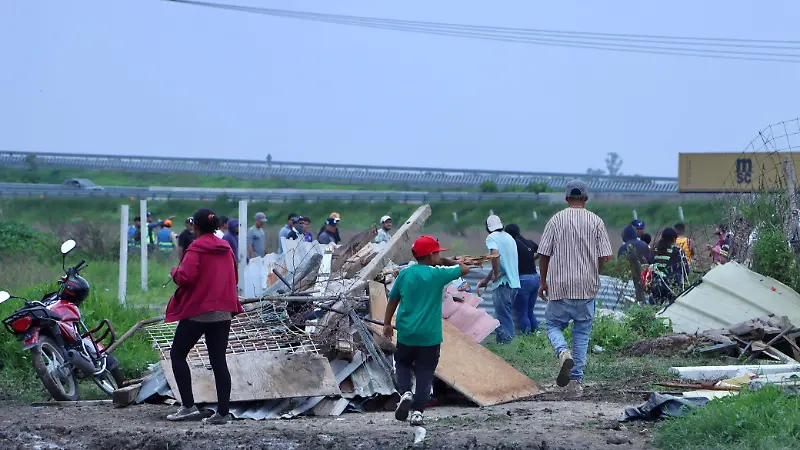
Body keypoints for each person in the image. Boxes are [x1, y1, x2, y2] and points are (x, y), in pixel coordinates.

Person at [165, 208, 244, 425]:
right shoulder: (226, 247)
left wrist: (174, 272)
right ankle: (223, 413)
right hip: (223, 312)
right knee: (218, 361)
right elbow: (234, 277)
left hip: (198, 311)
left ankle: (188, 406)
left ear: (195, 227)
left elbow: (186, 278)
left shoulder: (196, 248)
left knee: (178, 354)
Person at [384, 235, 469, 427]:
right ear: (431, 256)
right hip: (430, 337)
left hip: (407, 333)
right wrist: (448, 261)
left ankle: (405, 392)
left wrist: (387, 323)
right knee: (425, 372)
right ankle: (418, 413)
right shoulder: (437, 274)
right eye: (438, 253)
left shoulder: (405, 274)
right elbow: (465, 269)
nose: (440, 256)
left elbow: (393, 299)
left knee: (403, 363)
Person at [537, 180, 613, 396]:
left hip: (560, 285)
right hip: (586, 287)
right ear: (586, 199)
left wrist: (543, 281)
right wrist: (594, 273)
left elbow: (544, 253)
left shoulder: (555, 220)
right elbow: (604, 256)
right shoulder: (596, 221)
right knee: (581, 333)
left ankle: (563, 352)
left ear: (566, 198)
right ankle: (576, 382)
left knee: (552, 324)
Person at [476, 215, 520, 344]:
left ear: (488, 228)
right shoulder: (509, 237)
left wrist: (495, 274)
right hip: (514, 284)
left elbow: (495, 255)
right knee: (502, 315)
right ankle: (501, 343)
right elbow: (501, 261)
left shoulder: (492, 238)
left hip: (503, 284)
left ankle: (508, 345)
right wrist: (487, 279)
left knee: (504, 317)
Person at [504, 223, 540, 334]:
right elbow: (542, 251)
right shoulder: (529, 242)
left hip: (523, 280)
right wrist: (532, 259)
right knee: (530, 311)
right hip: (535, 278)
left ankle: (527, 338)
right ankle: (537, 337)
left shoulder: (512, 244)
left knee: (522, 313)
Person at [650, 228, 690, 305]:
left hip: (656, 288)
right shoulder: (677, 251)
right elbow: (686, 270)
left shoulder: (654, 251)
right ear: (674, 239)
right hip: (672, 289)